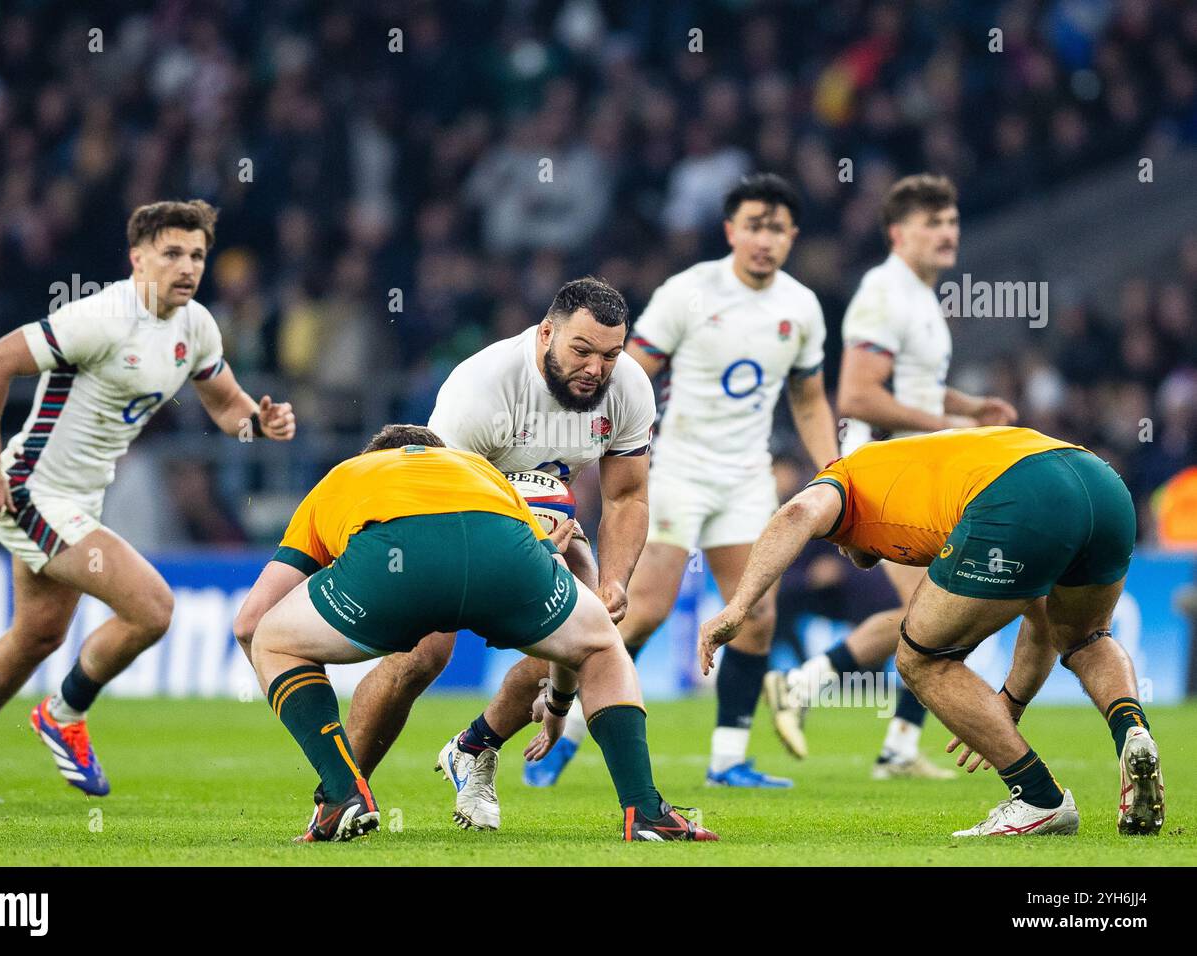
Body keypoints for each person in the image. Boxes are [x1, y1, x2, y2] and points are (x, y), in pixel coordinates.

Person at [234, 277, 655, 831]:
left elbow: (626, 496)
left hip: (550, 524)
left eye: (611, 355)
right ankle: (346, 787)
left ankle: (466, 749)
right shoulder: (482, 384)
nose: (597, 369)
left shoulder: (629, 387)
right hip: (469, 517)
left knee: (590, 627)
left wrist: (616, 580)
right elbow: (434, 489)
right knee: (424, 657)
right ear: (547, 333)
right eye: (582, 351)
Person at [0, 200, 296, 803]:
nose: (187, 266)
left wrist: (259, 421)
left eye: (197, 254)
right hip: (33, 491)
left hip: (80, 500)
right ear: (138, 259)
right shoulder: (100, 318)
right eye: (172, 253)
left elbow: (226, 406)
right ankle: (62, 714)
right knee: (152, 607)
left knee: (37, 634)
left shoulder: (196, 325)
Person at [246, 425, 716, 843]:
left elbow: (252, 617)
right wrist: (557, 702)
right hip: (501, 550)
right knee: (602, 646)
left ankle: (341, 795)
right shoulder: (476, 470)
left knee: (273, 638)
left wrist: (287, 690)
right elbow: (580, 585)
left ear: (377, 455)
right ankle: (646, 811)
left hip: (393, 562)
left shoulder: (348, 475)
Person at [700, 426, 1164, 837]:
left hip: (1021, 494)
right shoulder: (914, 472)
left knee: (920, 658)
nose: (844, 553)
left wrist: (739, 606)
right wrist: (1007, 707)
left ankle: (1039, 799)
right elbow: (1040, 619)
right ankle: (1133, 733)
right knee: (1085, 637)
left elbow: (797, 514)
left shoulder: (845, 477)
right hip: (1100, 483)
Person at [530, 173, 838, 789]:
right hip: (677, 471)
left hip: (747, 479)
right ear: (730, 230)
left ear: (792, 236)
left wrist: (835, 469)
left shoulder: (801, 307)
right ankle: (565, 729)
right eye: (753, 225)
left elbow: (808, 398)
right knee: (642, 610)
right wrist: (592, 452)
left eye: (777, 228)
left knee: (755, 615)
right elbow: (625, 374)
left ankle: (727, 760)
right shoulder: (687, 293)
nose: (764, 239)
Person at [767, 174, 1017, 779]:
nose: (948, 232)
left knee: (929, 620)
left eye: (952, 221)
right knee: (939, 618)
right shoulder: (883, 293)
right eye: (934, 223)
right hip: (886, 478)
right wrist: (945, 426)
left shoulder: (921, 298)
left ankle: (837, 704)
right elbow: (856, 393)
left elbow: (914, 386)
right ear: (898, 233)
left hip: (918, 476)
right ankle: (835, 706)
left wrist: (966, 409)